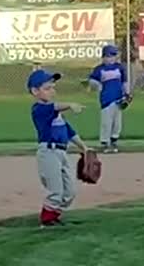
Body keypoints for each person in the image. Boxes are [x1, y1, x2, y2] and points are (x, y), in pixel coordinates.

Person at [27, 69, 89, 227]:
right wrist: (70, 105)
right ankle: (47, 222)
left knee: (70, 192)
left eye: (53, 87)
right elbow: (54, 107)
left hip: (62, 152)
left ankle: (53, 215)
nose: (52, 91)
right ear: (35, 91)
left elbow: (69, 131)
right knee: (56, 191)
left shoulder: (57, 114)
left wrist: (83, 147)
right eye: (47, 88)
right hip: (48, 153)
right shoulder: (38, 110)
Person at [88, 45, 130, 153]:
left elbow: (124, 82)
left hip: (118, 98)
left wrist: (127, 93)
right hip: (106, 99)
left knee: (117, 122)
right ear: (103, 57)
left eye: (113, 56)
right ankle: (105, 142)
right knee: (106, 122)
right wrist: (96, 85)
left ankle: (114, 140)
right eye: (108, 56)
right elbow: (92, 80)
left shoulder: (119, 67)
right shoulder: (99, 69)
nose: (111, 58)